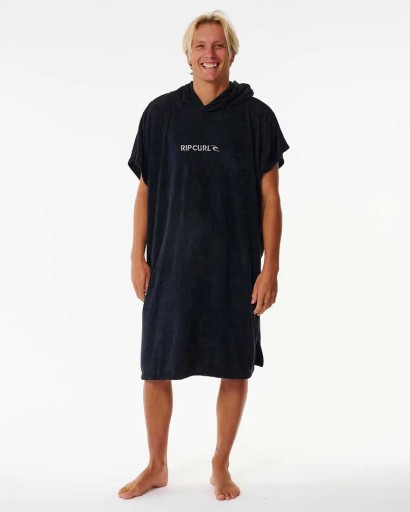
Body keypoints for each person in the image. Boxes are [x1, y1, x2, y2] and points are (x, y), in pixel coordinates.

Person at [118, 10, 290, 501]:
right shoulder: (161, 114)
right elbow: (145, 191)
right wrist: (137, 256)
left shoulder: (256, 117)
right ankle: (156, 466)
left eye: (218, 45)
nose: (209, 54)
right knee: (156, 367)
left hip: (234, 270)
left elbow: (271, 199)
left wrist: (271, 268)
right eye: (200, 46)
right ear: (188, 54)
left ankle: (220, 464)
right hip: (171, 266)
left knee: (234, 367)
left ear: (231, 53)